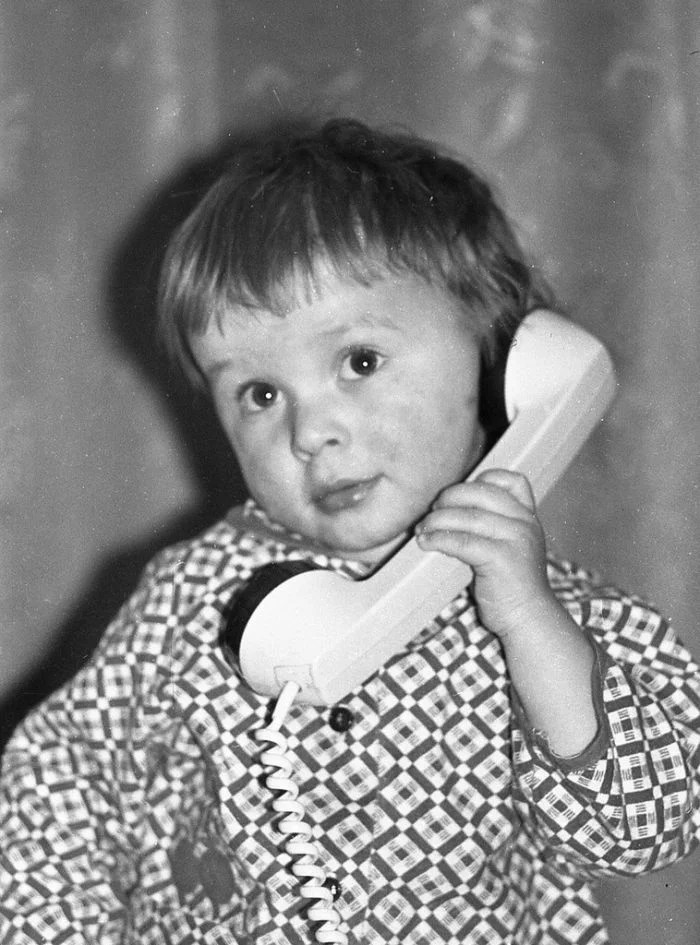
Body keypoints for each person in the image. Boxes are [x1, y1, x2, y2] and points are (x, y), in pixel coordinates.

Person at [1, 117, 699, 945]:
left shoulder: (577, 622)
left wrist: (530, 622)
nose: (310, 432)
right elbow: (60, 776)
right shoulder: (192, 595)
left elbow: (641, 832)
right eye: (260, 394)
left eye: (360, 361)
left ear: (499, 352)